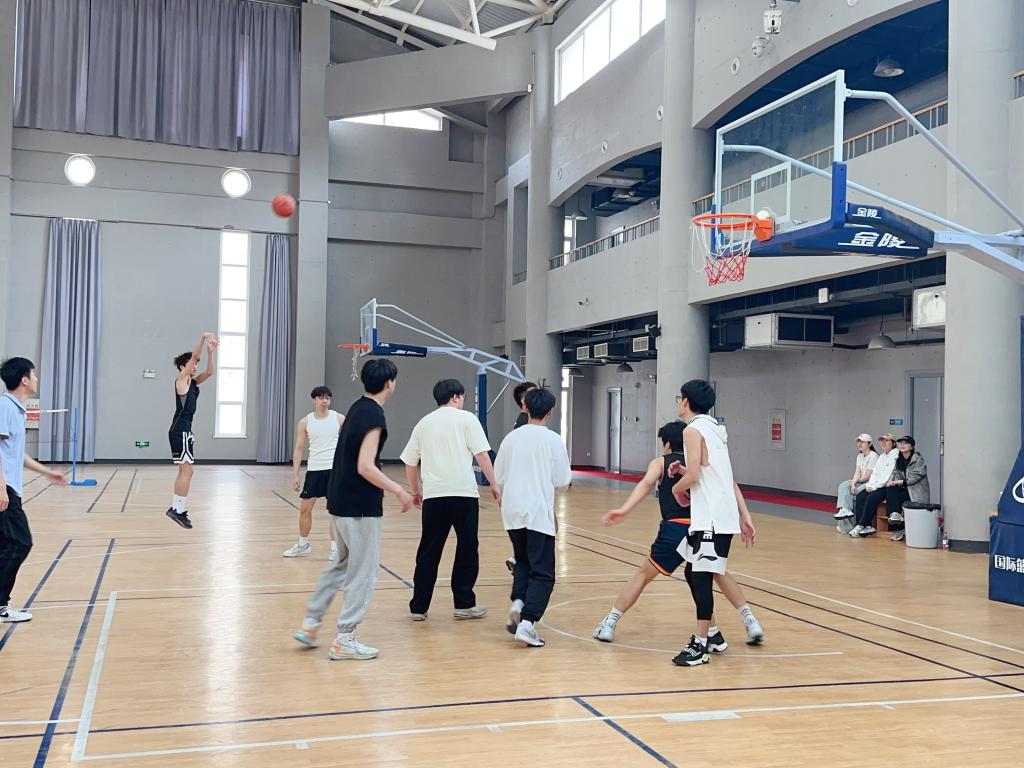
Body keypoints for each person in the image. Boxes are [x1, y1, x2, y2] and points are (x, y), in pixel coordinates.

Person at [595, 421, 764, 647]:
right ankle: (748, 621)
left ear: (666, 444)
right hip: (704, 527)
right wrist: (744, 516)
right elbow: (730, 485)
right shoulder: (704, 462)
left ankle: (610, 622)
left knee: (643, 575)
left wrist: (624, 509)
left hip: (675, 528)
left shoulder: (660, 462)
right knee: (715, 574)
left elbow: (646, 484)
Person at [293, 359, 413, 661]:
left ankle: (310, 624)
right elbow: (365, 466)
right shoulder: (374, 415)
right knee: (364, 573)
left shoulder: (358, 407)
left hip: (340, 502)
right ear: (389, 383)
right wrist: (399, 490)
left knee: (341, 566)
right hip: (360, 507)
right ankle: (345, 638)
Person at [668, 380, 756, 667]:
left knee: (701, 576)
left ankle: (701, 645)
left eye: (680, 398)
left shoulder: (692, 430)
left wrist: (676, 488)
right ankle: (714, 636)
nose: (678, 402)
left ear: (686, 401)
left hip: (712, 519)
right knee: (693, 572)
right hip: (719, 516)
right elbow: (715, 474)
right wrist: (744, 515)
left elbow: (695, 476)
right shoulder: (715, 429)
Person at [401, 379, 499, 621]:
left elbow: (410, 463)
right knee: (467, 549)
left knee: (429, 551)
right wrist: (494, 484)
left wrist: (415, 491)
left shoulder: (424, 423)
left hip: (434, 497)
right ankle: (464, 604)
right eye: (462, 396)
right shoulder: (467, 419)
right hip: (463, 495)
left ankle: (418, 607)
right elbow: (482, 455)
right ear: (456, 397)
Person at [494, 388, 571, 647]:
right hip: (538, 512)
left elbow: (499, 476)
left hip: (512, 511)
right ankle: (527, 623)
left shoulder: (510, 438)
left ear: (525, 408)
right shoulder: (553, 440)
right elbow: (563, 480)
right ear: (550, 412)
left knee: (523, 561)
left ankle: (518, 602)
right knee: (543, 572)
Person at [0, 358, 67, 624]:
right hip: (5, 489)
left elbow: (16, 453)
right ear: (24, 380)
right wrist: (1, 488)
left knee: (7, 544)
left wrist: (46, 471)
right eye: (34, 375)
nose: (37, 379)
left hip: (9, 487)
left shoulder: (16, 410)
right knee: (20, 542)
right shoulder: (5, 406)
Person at [285, 386, 345, 560]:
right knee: (305, 509)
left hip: (334, 470)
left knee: (335, 511)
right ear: (314, 400)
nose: (325, 401)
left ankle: (335, 548)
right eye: (321, 398)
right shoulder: (305, 422)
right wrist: (295, 475)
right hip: (314, 470)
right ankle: (303, 544)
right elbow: (298, 449)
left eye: (327, 398)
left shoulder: (339, 418)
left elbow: (350, 441)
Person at [165, 332, 217, 529]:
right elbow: (195, 356)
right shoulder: (182, 381)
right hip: (181, 430)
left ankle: (176, 508)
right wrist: (203, 339)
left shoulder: (193, 383)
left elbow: (209, 372)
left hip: (183, 430)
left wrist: (210, 353)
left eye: (196, 364)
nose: (195, 366)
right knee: (188, 470)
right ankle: (177, 510)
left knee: (184, 470)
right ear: (182, 367)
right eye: (191, 364)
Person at [504, 381, 537, 573]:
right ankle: (520, 561)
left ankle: (518, 559)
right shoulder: (524, 423)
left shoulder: (527, 422)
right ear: (524, 402)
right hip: (526, 488)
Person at [850, 433, 899, 538]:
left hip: (889, 487)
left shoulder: (896, 455)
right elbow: (875, 473)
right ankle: (865, 526)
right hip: (877, 485)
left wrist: (874, 487)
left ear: (893, 443)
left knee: (871, 497)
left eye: (887, 441)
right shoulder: (882, 456)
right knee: (860, 496)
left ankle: (862, 524)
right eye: (882, 441)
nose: (883, 443)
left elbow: (887, 476)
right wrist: (870, 485)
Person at [885, 436, 930, 542]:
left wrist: (898, 482)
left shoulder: (918, 459)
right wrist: (892, 481)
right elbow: (895, 474)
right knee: (890, 490)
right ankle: (896, 521)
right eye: (901, 443)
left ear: (912, 446)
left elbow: (915, 477)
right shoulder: (899, 460)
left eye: (905, 443)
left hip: (915, 492)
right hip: (904, 489)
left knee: (895, 494)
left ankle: (897, 522)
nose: (902, 445)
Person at [834, 434, 877, 530]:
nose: (859, 444)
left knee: (853, 493)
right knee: (844, 485)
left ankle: (850, 525)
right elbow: (857, 472)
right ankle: (845, 510)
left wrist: (856, 481)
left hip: (870, 483)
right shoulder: (859, 456)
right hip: (861, 481)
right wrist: (853, 483)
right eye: (858, 441)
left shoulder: (873, 455)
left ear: (869, 444)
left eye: (862, 442)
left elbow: (868, 475)